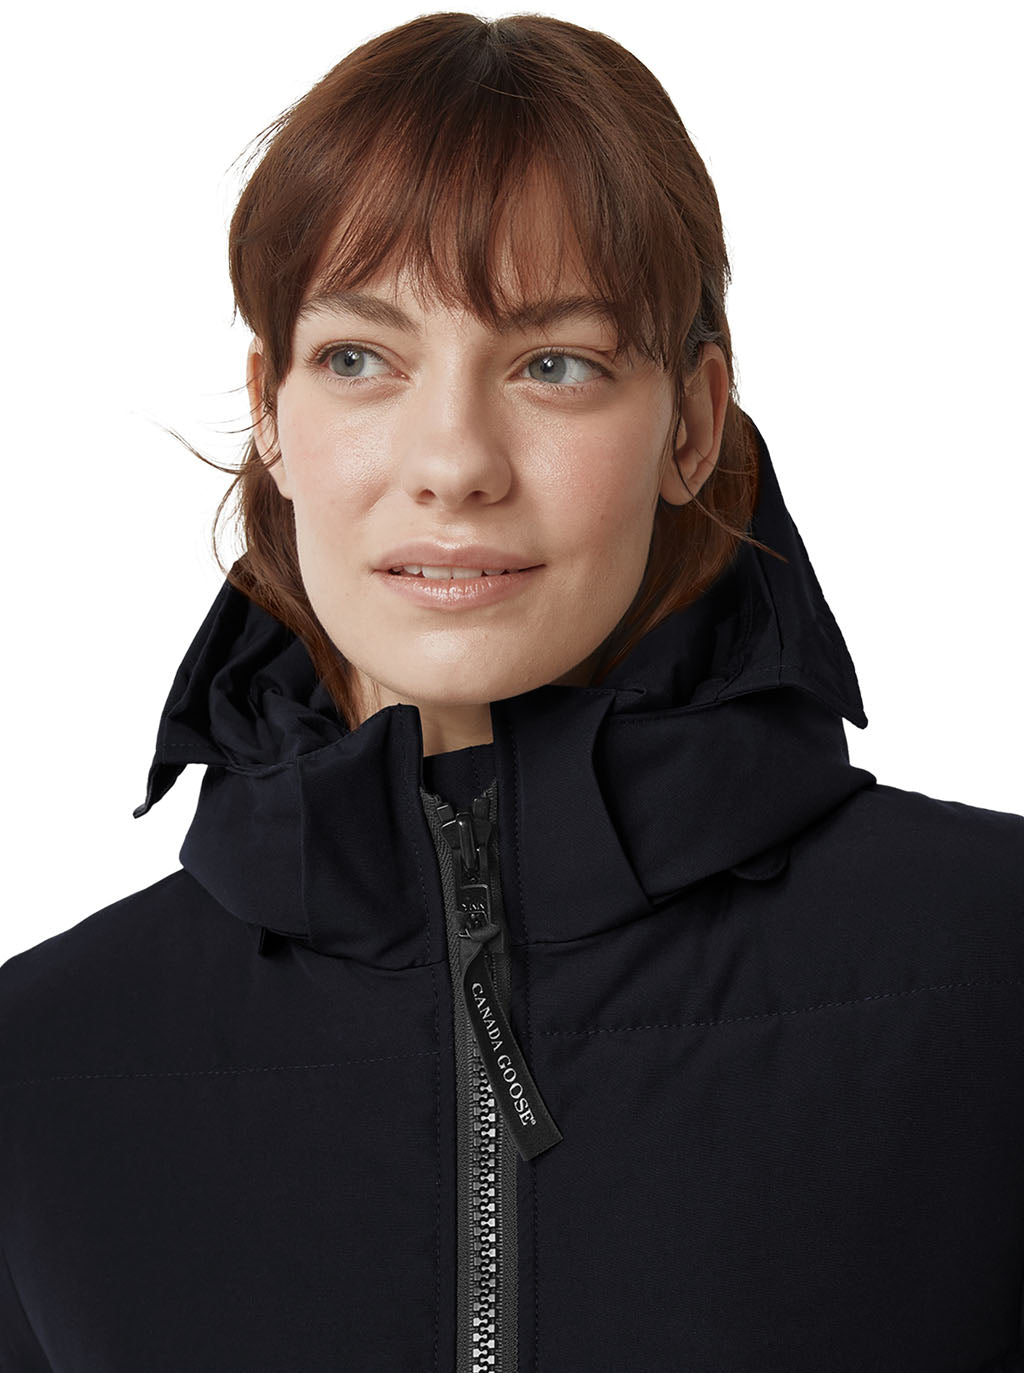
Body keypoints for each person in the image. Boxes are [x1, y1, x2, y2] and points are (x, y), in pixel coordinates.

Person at [2, 11, 1022, 1370]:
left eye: (555, 364)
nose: (454, 463)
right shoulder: (42, 1065)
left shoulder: (995, 965)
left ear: (692, 422)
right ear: (271, 409)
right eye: (359, 359)